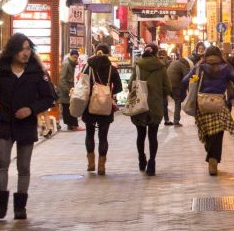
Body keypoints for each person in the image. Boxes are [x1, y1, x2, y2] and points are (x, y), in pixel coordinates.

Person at [0, 33, 57, 220]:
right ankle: (0, 207)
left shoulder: (37, 72)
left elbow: (49, 98)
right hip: (6, 122)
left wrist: (31, 110)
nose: (26, 53)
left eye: (28, 48)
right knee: (2, 163)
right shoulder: (1, 72)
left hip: (27, 124)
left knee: (24, 166)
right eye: (22, 49)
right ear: (13, 51)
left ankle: (20, 208)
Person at [181, 45, 234, 176]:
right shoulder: (226, 68)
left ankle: (211, 155)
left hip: (202, 105)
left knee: (207, 132)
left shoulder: (199, 68)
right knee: (218, 133)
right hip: (219, 104)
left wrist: (183, 95)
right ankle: (213, 159)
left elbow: (186, 81)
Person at [81, 44, 122, 175]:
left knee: (89, 134)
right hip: (105, 107)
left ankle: (91, 163)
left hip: (90, 106)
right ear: (108, 53)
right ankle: (101, 167)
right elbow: (119, 88)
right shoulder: (112, 69)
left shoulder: (88, 67)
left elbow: (82, 85)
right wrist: (108, 93)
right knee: (103, 136)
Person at [131, 43, 171, 176]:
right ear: (156, 53)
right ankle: (152, 163)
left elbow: (131, 83)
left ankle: (141, 159)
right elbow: (168, 88)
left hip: (139, 105)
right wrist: (158, 95)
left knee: (140, 134)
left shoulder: (137, 65)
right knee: (152, 135)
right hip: (155, 106)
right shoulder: (161, 67)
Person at [166, 51, 194, 126]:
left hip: (168, 84)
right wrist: (196, 79)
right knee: (177, 101)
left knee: (174, 100)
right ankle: (176, 121)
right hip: (175, 85)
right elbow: (188, 77)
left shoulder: (176, 62)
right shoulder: (184, 65)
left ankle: (167, 119)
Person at [58, 49, 82, 131]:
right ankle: (74, 125)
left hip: (69, 88)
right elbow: (62, 79)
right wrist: (67, 90)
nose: (75, 59)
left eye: (76, 57)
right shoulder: (66, 64)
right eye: (74, 57)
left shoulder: (71, 64)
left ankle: (71, 125)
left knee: (69, 108)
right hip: (66, 90)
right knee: (70, 107)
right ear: (71, 56)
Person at [158, 48, 173, 125]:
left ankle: (165, 119)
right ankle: (166, 120)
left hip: (159, 86)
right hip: (161, 86)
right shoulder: (165, 63)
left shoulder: (167, 63)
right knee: (164, 104)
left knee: (163, 104)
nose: (162, 57)